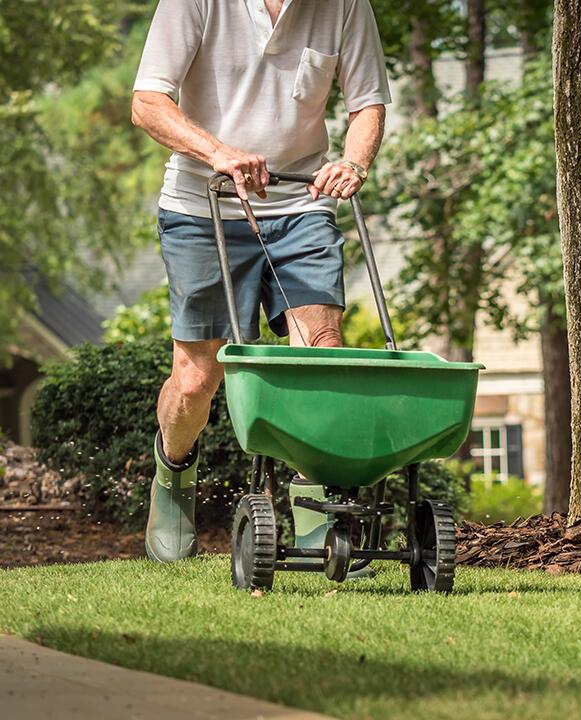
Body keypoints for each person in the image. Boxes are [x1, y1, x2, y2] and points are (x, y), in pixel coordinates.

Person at [130, 0, 391, 563]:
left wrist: (354, 162)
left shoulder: (345, 5)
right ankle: (174, 473)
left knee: (319, 359)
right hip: (204, 205)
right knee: (198, 377)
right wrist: (219, 152)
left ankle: (316, 506)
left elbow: (367, 103)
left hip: (302, 202)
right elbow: (148, 103)